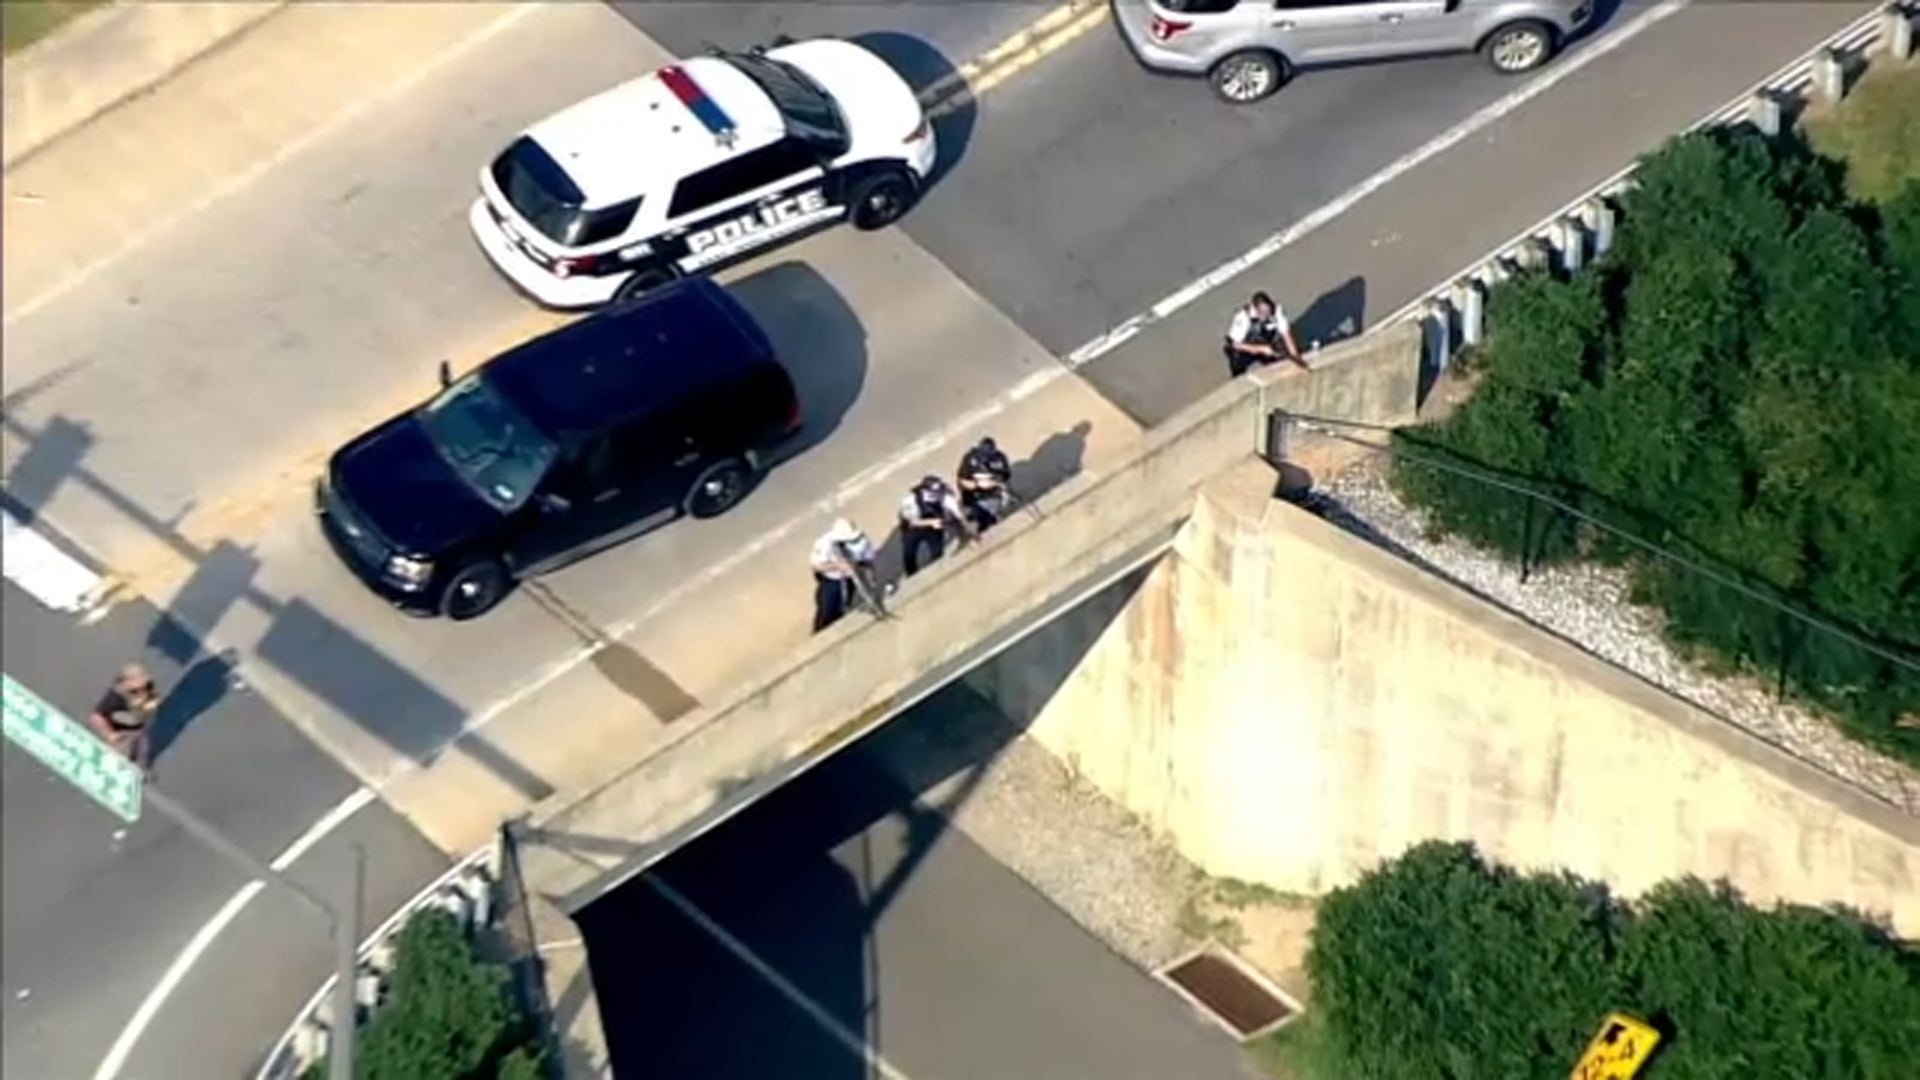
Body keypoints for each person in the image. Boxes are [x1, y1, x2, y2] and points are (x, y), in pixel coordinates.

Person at [88, 663, 160, 775]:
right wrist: (109, 735)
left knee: (143, 752)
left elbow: (152, 700)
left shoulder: (146, 687)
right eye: (139, 684)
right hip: (122, 733)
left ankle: (142, 771)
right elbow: (96, 717)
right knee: (121, 759)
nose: (144, 687)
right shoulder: (115, 698)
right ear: (127, 682)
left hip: (139, 729)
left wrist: (149, 709)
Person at [810, 517, 878, 632]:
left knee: (844, 602)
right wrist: (836, 566)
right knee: (827, 608)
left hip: (851, 576)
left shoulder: (862, 541)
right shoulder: (824, 544)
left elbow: (868, 559)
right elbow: (816, 565)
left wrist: (871, 574)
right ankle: (820, 630)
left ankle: (839, 619)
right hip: (831, 578)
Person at [897, 474, 969, 576]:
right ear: (924, 491)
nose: (938, 494)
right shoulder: (911, 500)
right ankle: (912, 575)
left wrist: (966, 530)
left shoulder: (944, 496)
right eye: (934, 492)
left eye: (939, 491)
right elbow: (912, 521)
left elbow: (958, 514)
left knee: (937, 553)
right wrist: (932, 522)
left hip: (934, 527)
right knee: (909, 554)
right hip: (913, 528)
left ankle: (936, 573)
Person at [1223, 291, 1306, 377]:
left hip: (1264, 343)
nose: (1265, 315)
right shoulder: (1243, 317)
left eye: (1267, 312)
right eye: (1262, 312)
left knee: (1278, 361)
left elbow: (1286, 334)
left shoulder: (1276, 311)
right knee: (1238, 368)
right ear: (1255, 308)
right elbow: (1234, 344)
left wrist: (1295, 356)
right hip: (1244, 348)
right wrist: (1259, 349)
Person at [956, 436, 1013, 534]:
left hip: (992, 492)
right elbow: (961, 479)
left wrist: (993, 482)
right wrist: (976, 484)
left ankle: (986, 522)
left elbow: (1006, 476)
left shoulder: (1000, 459)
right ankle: (972, 517)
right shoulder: (969, 458)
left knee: (988, 516)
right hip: (972, 492)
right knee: (970, 514)